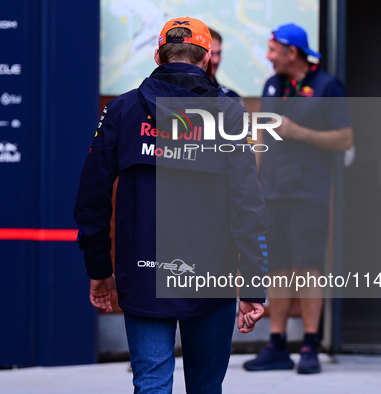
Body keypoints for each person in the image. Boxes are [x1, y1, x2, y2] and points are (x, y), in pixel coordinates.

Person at [75, 17, 269, 394]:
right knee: (206, 388)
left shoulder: (122, 110)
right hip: (211, 277)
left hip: (144, 272)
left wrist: (99, 267)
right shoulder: (229, 112)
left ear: (157, 57)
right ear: (208, 59)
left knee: (151, 385)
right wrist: (253, 285)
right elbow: (247, 204)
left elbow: (91, 197)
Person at [243, 23, 353, 374]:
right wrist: (253, 181)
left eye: (273, 49)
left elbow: (344, 139)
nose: (268, 55)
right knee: (274, 269)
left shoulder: (326, 86)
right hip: (272, 192)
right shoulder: (272, 84)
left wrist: (298, 133)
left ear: (292, 52)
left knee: (307, 268)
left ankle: (308, 345)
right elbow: (262, 131)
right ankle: (276, 344)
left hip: (308, 193)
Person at [208, 27, 243, 102]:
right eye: (211, 54)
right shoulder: (180, 95)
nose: (216, 60)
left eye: (219, 53)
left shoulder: (232, 97)